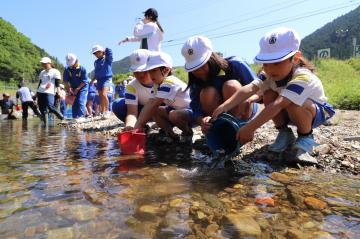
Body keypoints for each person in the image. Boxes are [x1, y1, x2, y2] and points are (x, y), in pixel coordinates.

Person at [213, 27, 335, 162]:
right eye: (266, 63)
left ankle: (306, 137)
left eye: (277, 63)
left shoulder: (302, 77)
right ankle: (285, 134)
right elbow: (249, 89)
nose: (270, 69)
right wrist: (224, 107)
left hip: (315, 113)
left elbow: (279, 104)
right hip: (290, 111)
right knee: (268, 94)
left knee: (292, 102)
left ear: (295, 58)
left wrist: (250, 127)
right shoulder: (268, 75)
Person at [181, 35, 259, 135]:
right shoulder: (196, 81)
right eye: (193, 68)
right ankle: (220, 129)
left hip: (244, 110)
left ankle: (239, 127)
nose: (198, 71)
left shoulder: (236, 64)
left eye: (201, 65)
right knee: (207, 92)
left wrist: (249, 99)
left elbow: (259, 89)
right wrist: (202, 120)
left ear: (211, 57)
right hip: (218, 114)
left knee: (231, 85)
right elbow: (195, 107)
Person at [134, 51, 193, 142]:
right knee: (155, 110)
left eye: (153, 70)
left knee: (173, 114)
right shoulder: (157, 85)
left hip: (191, 112)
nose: (150, 74)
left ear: (166, 70)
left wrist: (138, 126)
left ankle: (187, 132)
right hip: (177, 111)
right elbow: (150, 104)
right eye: (149, 71)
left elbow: (153, 103)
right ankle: (170, 134)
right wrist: (138, 125)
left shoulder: (169, 81)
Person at [112, 49, 154, 131]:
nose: (141, 74)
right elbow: (132, 112)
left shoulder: (163, 82)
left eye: (144, 70)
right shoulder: (131, 86)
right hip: (142, 112)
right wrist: (129, 127)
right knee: (117, 104)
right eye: (136, 71)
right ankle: (140, 126)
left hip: (160, 111)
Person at [35, 57, 64, 123]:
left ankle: (62, 118)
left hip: (49, 92)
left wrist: (59, 91)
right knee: (42, 109)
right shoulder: (42, 72)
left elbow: (57, 83)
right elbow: (40, 83)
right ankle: (46, 124)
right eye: (42, 63)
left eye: (45, 63)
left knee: (50, 106)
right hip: (40, 91)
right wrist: (36, 93)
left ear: (49, 63)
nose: (43, 65)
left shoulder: (55, 71)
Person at [63, 53, 89, 119]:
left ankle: (81, 117)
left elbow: (84, 81)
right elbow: (66, 81)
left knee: (80, 101)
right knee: (73, 102)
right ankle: (75, 117)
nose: (72, 65)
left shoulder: (82, 69)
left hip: (83, 87)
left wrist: (77, 89)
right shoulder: (67, 69)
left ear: (76, 60)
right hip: (72, 87)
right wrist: (69, 89)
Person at [92, 45, 113, 118]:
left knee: (104, 94)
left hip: (106, 79)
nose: (96, 54)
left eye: (97, 52)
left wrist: (105, 49)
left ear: (101, 52)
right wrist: (92, 80)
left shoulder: (107, 59)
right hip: (99, 81)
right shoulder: (96, 62)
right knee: (101, 97)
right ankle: (103, 112)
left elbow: (110, 52)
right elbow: (96, 72)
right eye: (94, 53)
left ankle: (107, 111)